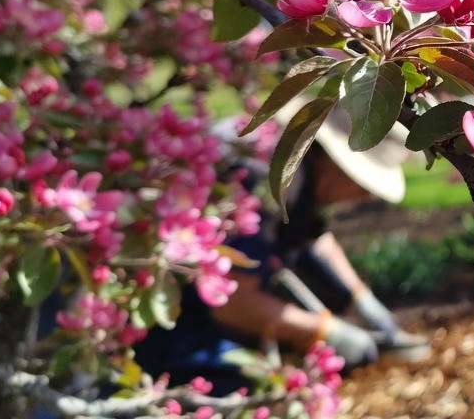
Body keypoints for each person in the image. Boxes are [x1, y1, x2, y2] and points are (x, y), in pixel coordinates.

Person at [132, 111, 429, 394]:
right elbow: (232, 303)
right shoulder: (262, 182)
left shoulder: (300, 169)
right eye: (363, 186)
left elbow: (313, 239)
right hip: (164, 312)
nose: (364, 197)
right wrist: (326, 331)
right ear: (334, 164)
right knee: (234, 383)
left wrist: (361, 299)